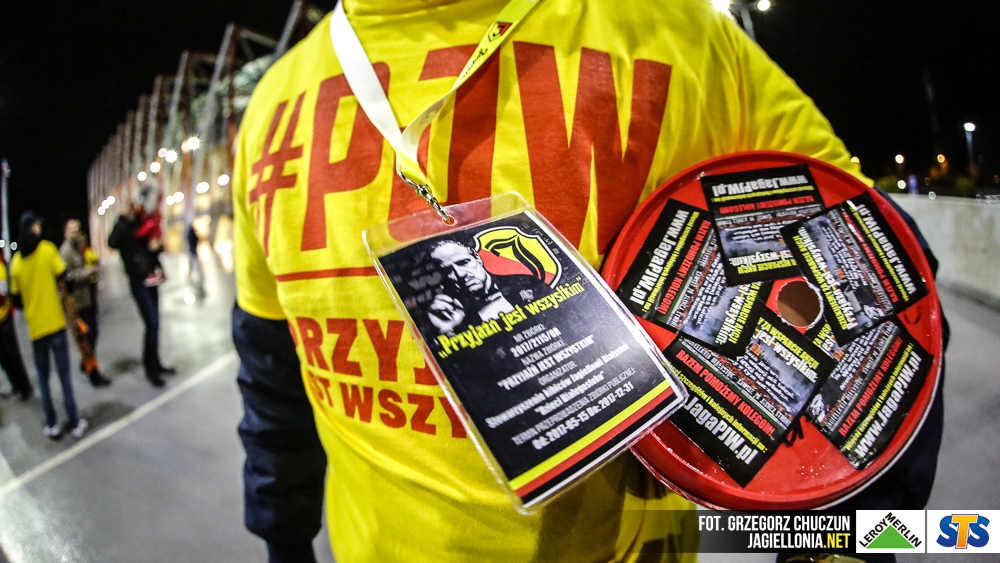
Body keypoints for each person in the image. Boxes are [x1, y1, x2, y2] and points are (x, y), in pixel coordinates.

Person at [231, 2, 942, 562]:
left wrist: (837, 542)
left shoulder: (683, 33)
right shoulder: (270, 105)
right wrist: (283, 536)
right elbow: (274, 369)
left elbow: (878, 291)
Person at [9, 211, 88, 440]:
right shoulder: (47, 250)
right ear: (33, 228)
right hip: (55, 324)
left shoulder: (16, 262)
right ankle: (75, 423)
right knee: (64, 378)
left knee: (43, 381)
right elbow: (65, 276)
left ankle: (52, 424)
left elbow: (17, 301)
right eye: (37, 225)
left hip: (36, 330)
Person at [108, 202, 174, 387]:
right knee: (151, 323)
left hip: (150, 276)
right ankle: (150, 369)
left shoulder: (142, 224)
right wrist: (121, 221)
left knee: (156, 323)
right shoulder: (122, 228)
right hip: (138, 280)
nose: (130, 212)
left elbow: (152, 248)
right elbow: (111, 243)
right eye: (126, 210)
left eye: (131, 208)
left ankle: (156, 364)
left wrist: (157, 246)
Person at [60, 218, 111, 387]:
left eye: (77, 229)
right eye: (72, 230)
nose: (75, 233)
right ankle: (93, 373)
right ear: (66, 232)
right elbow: (68, 276)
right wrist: (87, 272)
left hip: (89, 297)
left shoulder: (82, 246)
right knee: (86, 339)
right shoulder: (66, 252)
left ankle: (86, 363)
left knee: (94, 333)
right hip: (78, 302)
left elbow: (93, 259)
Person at [0, 255, 33, 401]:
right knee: (3, 357)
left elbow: (2, 296)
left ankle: (24, 386)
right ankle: (16, 384)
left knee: (12, 354)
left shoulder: (0, 269)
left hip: (4, 319)